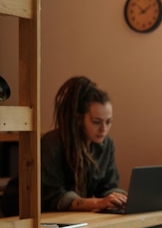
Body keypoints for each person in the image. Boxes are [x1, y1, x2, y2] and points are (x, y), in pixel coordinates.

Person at [39, 76, 127, 212]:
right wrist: (98, 203)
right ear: (79, 119)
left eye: (108, 122)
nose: (103, 129)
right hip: (34, 216)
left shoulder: (106, 144)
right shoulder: (52, 144)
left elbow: (108, 186)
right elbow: (55, 197)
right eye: (96, 122)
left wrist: (119, 198)